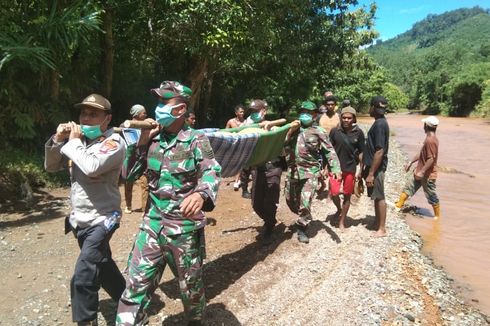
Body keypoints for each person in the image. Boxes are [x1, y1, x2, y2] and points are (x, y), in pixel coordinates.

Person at [116, 81, 221, 326]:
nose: (158, 107)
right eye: (158, 101)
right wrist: (139, 143)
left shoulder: (196, 140)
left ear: (180, 109)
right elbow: (128, 175)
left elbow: (211, 171)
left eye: (164, 102)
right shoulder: (151, 140)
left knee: (191, 291)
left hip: (183, 230)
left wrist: (201, 194)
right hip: (152, 226)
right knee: (134, 288)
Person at [45, 94, 126, 325]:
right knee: (103, 264)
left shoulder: (113, 143)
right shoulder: (79, 142)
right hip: (80, 220)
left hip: (103, 219)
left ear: (107, 119)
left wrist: (73, 141)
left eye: (94, 114)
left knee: (82, 276)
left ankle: (86, 321)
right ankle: (128, 300)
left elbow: (91, 167)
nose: (86, 118)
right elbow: (51, 166)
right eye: (83, 113)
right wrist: (58, 139)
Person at [285, 101, 341, 243]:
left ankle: (302, 227)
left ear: (314, 115)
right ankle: (302, 214)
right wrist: (290, 131)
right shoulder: (292, 129)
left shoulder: (319, 131)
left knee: (306, 201)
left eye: (308, 113)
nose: (304, 115)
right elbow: (280, 144)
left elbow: (329, 151)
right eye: (302, 112)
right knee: (290, 200)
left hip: (310, 172)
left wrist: (335, 168)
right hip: (293, 171)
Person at [247, 99, 285, 240]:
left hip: (273, 167)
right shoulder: (249, 129)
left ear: (264, 111)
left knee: (270, 200)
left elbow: (281, 151)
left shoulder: (274, 129)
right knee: (256, 203)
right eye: (252, 111)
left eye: (257, 111)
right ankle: (270, 221)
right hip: (257, 169)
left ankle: (269, 226)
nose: (254, 114)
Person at [395, 116, 441, 219]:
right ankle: (398, 205)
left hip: (428, 175)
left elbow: (431, 159)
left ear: (426, 126)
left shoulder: (431, 140)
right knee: (409, 187)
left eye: (424, 124)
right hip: (420, 172)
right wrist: (411, 162)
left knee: (431, 196)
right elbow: (421, 153)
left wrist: (422, 172)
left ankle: (437, 217)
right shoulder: (429, 138)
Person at [329, 106, 365, 230]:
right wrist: (324, 166)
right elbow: (329, 150)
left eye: (349, 118)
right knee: (334, 192)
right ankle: (338, 209)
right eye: (344, 117)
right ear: (341, 118)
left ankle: (342, 221)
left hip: (350, 168)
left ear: (354, 119)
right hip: (335, 169)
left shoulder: (359, 133)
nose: (346, 120)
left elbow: (361, 152)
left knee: (347, 195)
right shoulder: (334, 131)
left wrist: (361, 169)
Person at [362, 96, 390, 237]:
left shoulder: (379, 125)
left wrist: (371, 173)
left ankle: (382, 229)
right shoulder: (380, 122)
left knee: (380, 197)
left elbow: (379, 151)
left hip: (377, 168)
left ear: (372, 107)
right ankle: (377, 222)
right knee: (375, 195)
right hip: (375, 166)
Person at [124, 104, 149, 215]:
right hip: (130, 159)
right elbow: (130, 143)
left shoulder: (146, 126)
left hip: (143, 158)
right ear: (138, 114)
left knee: (145, 183)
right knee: (128, 183)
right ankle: (128, 205)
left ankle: (145, 208)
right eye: (144, 113)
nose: (145, 114)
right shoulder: (126, 126)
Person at [225, 104, 247, 191]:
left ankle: (237, 181)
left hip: (243, 144)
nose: (242, 113)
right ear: (236, 113)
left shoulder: (246, 123)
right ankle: (238, 179)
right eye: (241, 112)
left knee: (240, 162)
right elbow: (226, 132)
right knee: (235, 162)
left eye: (243, 112)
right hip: (233, 144)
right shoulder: (231, 122)